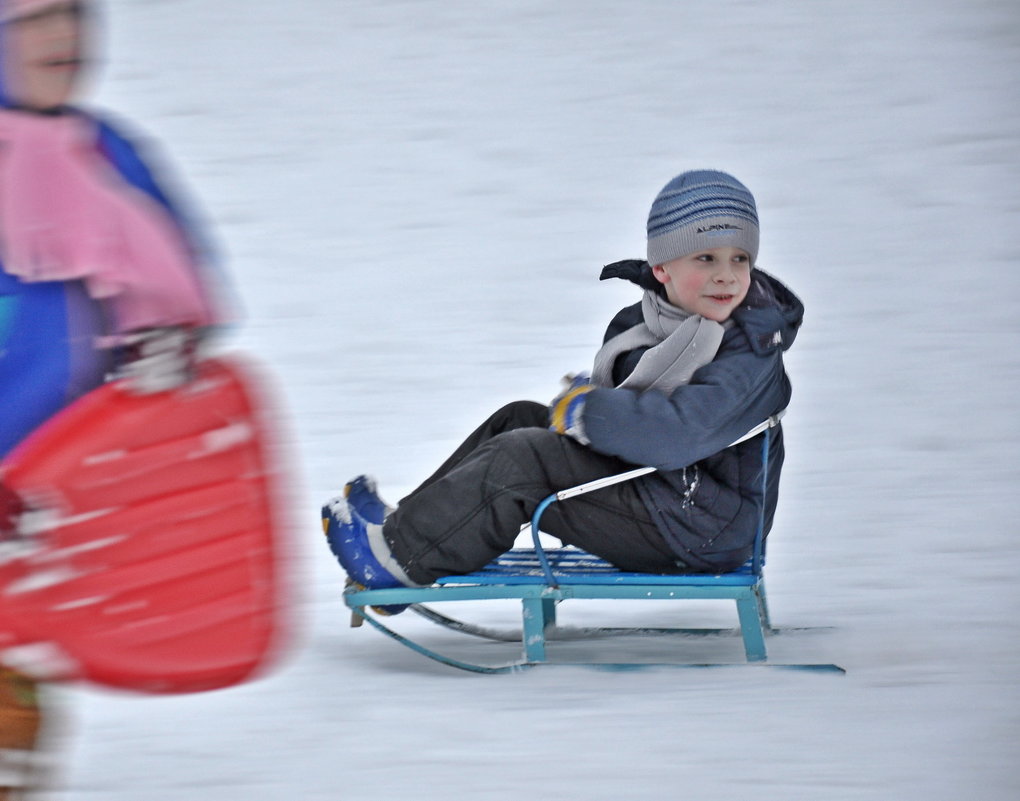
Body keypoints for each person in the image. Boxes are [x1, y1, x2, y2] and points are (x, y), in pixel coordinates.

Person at [322, 169, 803, 603]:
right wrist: (589, 403)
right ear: (663, 268)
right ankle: (405, 531)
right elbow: (637, 396)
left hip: (702, 527)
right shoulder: (651, 323)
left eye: (740, 258)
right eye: (707, 257)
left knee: (522, 461)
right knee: (519, 419)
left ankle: (399, 560)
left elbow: (681, 434)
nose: (727, 275)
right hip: (663, 492)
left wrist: (590, 413)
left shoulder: (751, 351)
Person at [0, 1, 223, 793]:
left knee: (14, 698)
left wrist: (166, 346)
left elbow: (184, 284)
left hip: (55, 490)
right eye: (34, 19)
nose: (62, 37)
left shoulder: (108, 153)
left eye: (73, 14)